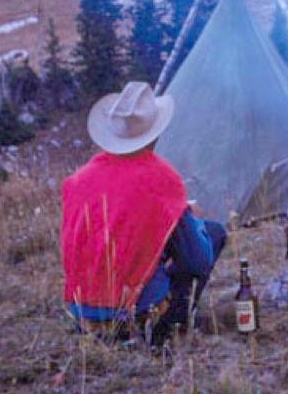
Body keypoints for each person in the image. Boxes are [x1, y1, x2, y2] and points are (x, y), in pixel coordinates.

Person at [61, 81, 227, 342]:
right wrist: (189, 218)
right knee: (214, 234)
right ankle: (172, 327)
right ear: (155, 134)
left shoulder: (77, 180)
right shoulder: (161, 177)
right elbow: (197, 260)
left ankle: (103, 327)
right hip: (139, 315)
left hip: (82, 312)